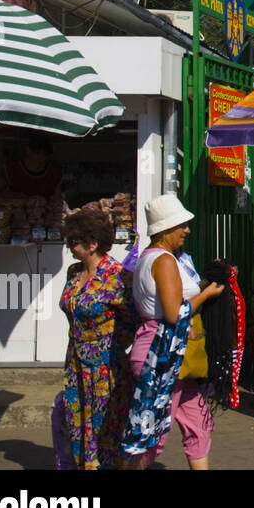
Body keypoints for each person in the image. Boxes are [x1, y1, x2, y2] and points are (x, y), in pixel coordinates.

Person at [125, 195, 226, 466]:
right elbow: (174, 313)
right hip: (160, 356)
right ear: (166, 229)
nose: (187, 230)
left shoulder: (149, 258)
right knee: (152, 436)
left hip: (169, 355)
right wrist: (205, 295)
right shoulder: (164, 261)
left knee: (198, 423)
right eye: (182, 225)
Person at [57, 205, 134, 469]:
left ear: (92, 243)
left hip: (107, 372)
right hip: (76, 366)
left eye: (74, 242)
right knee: (77, 429)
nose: (70, 248)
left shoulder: (117, 276)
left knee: (105, 434)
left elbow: (134, 319)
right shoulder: (73, 273)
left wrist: (115, 348)